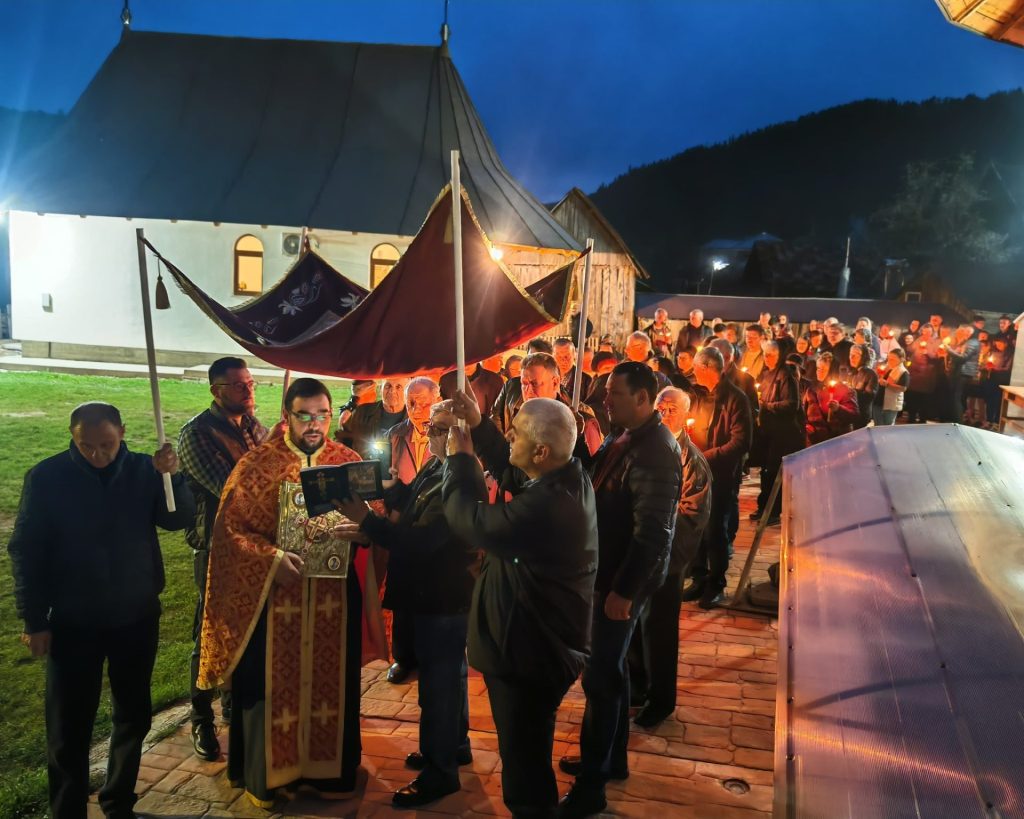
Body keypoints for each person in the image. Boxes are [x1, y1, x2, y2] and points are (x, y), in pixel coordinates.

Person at [198, 378, 385, 807]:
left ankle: (329, 774)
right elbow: (230, 533)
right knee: (271, 690)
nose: (315, 424)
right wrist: (270, 559)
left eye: (322, 415)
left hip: (333, 603)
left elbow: (375, 517)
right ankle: (271, 777)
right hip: (274, 601)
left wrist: (365, 531)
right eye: (305, 415)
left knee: (331, 689)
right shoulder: (257, 465)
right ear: (287, 417)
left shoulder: (348, 462)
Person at [8, 402, 194, 819]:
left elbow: (177, 518)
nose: (97, 454)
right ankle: (67, 810)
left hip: (136, 614)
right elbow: (26, 551)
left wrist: (172, 476)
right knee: (68, 725)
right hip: (74, 619)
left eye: (106, 444)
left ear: (122, 432)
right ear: (72, 436)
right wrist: (34, 620)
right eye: (86, 446)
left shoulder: (145, 470)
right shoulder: (47, 477)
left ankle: (118, 800)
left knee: (133, 715)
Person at [444, 395, 598, 819]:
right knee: (526, 752)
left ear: (542, 451)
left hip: (530, 655)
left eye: (515, 433)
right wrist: (480, 425)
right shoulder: (566, 475)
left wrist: (458, 461)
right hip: (538, 645)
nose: (509, 437)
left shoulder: (547, 507)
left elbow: (468, 520)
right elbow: (513, 467)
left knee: (525, 769)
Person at [335, 400, 476, 808]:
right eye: (431, 426)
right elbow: (415, 507)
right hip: (431, 593)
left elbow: (424, 540)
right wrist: (394, 488)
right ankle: (454, 746)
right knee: (450, 679)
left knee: (438, 688)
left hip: (441, 595)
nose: (429, 434)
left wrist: (367, 520)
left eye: (440, 428)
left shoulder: (460, 477)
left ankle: (439, 773)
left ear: (461, 434)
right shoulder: (438, 464)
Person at [558, 362, 683, 818]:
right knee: (612, 671)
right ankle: (612, 760)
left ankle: (592, 786)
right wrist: (575, 442)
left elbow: (652, 534)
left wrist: (624, 591)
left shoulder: (656, 451)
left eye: (615, 393)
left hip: (620, 580)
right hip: (607, 572)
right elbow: (597, 478)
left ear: (644, 398)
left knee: (600, 678)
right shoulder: (624, 434)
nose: (606, 400)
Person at [178, 356, 269, 760]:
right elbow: (230, 488)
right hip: (216, 546)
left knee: (247, 628)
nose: (248, 390)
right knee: (210, 633)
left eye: (250, 383)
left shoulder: (253, 426)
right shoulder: (196, 434)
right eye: (238, 385)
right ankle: (201, 718)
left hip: (254, 543)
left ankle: (234, 704)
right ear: (216, 391)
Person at [628, 387, 711, 728]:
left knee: (659, 632)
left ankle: (660, 700)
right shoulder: (646, 444)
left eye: (672, 407)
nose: (664, 411)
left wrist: (664, 558)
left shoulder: (692, 460)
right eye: (660, 404)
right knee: (635, 626)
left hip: (666, 560)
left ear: (686, 414)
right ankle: (636, 688)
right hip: (639, 552)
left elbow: (692, 517)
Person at [382, 377, 442, 684]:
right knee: (402, 593)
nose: (417, 410)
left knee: (432, 594)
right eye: (411, 403)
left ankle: (432, 655)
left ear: (437, 400)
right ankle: (402, 657)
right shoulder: (395, 434)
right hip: (403, 523)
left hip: (434, 526)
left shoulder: (447, 436)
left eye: (424, 403)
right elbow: (387, 476)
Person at [682, 348, 752, 609]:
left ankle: (716, 583)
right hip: (696, 472)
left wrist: (707, 456)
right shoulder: (698, 395)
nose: (693, 372)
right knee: (696, 526)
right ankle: (698, 577)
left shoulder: (736, 398)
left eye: (696, 368)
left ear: (706, 368)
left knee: (715, 530)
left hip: (721, 474)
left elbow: (741, 441)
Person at [751, 341, 802, 524]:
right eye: (765, 354)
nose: (767, 358)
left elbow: (792, 404)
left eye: (771, 354)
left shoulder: (786, 376)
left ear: (779, 355)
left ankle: (772, 512)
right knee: (766, 471)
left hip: (781, 433)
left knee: (773, 472)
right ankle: (763, 507)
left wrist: (768, 406)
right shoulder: (767, 374)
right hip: (767, 432)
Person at [491, 337, 553, 435]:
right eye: (530, 356)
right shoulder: (512, 384)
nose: (532, 362)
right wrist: (501, 439)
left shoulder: (555, 388)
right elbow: (496, 413)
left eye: (538, 359)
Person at [336, 377, 408, 458]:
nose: (392, 391)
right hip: (365, 464)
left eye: (398, 387)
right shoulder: (361, 413)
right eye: (388, 386)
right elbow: (342, 441)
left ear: (407, 392)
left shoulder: (414, 419)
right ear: (380, 389)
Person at [803, 353, 858, 445]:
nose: (819, 372)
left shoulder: (846, 390)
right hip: (814, 439)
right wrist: (807, 425)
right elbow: (803, 412)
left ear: (832, 371)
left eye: (824, 369)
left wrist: (838, 409)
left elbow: (854, 415)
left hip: (836, 441)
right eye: (818, 368)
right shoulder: (811, 389)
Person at [939, 324, 980, 423]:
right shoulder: (965, 342)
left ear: (968, 332)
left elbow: (963, 358)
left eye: (960, 331)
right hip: (957, 372)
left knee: (956, 398)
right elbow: (958, 354)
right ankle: (951, 419)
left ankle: (957, 421)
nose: (957, 333)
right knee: (953, 397)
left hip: (963, 373)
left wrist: (948, 349)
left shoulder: (972, 343)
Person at [872, 348, 910, 426]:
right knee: (877, 425)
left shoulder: (903, 372)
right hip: (879, 401)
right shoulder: (889, 368)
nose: (889, 361)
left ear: (901, 359)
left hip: (891, 404)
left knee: (887, 426)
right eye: (888, 359)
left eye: (892, 359)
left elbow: (903, 388)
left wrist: (887, 384)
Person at [848, 343, 879, 430]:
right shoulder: (851, 372)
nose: (852, 357)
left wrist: (851, 392)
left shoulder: (870, 374)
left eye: (856, 355)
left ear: (864, 357)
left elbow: (869, 396)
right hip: (851, 414)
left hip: (862, 416)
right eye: (851, 354)